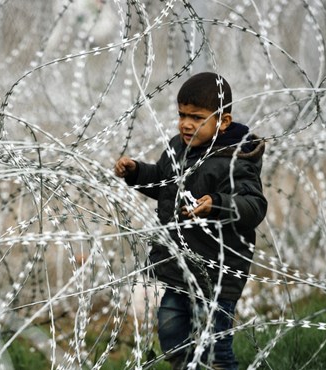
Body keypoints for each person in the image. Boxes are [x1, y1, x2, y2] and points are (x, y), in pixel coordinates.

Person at [113, 72, 267, 369]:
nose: (186, 123)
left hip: (217, 275)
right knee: (172, 335)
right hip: (179, 267)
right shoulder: (177, 149)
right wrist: (135, 172)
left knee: (215, 350)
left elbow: (254, 205)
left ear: (222, 121)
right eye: (182, 115)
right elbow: (162, 184)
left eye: (196, 117)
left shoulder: (235, 160)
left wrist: (217, 204)